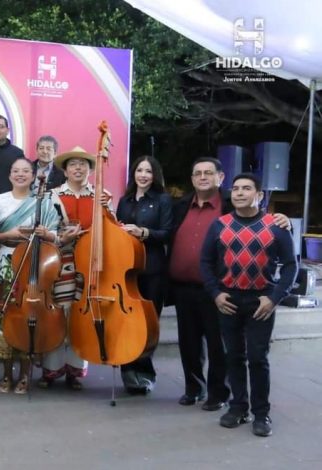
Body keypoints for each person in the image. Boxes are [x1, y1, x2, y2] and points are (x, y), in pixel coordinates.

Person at [170, 157, 289, 410]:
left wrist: (283, 220)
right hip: (185, 287)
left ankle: (220, 395)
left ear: (220, 178)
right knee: (189, 344)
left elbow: (260, 224)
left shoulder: (227, 206)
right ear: (192, 179)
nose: (202, 177)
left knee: (221, 347)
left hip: (223, 290)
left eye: (208, 173)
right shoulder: (180, 206)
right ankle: (195, 389)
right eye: (197, 173)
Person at [200, 173, 297, 437]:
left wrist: (275, 298)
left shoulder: (275, 225)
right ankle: (238, 407)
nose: (240, 193)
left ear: (259, 195)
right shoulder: (220, 225)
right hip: (228, 300)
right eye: (236, 189)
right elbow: (206, 262)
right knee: (234, 356)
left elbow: (291, 265)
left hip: (260, 301)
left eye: (247, 188)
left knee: (257, 358)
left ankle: (261, 414)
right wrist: (215, 294)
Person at [0, 157, 59, 395]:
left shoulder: (43, 202)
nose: (20, 175)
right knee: (6, 316)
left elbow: (55, 235)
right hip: (6, 261)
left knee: (30, 316)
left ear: (33, 175)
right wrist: (10, 233)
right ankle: (6, 374)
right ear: (9, 175)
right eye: (16, 171)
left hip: (33, 263)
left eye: (26, 171)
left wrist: (45, 233)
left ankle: (25, 376)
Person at [42, 146, 109, 390]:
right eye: (73, 165)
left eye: (83, 164)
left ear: (90, 170)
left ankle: (75, 371)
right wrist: (62, 237)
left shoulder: (101, 196)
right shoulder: (53, 196)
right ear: (65, 170)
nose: (78, 168)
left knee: (82, 314)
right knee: (60, 311)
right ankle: (50, 369)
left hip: (90, 263)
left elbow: (112, 228)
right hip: (62, 259)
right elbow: (45, 229)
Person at [115, 155, 173, 394]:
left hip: (152, 269)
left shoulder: (163, 200)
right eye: (139, 170)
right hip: (127, 270)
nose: (143, 175)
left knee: (148, 324)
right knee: (126, 322)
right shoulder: (125, 200)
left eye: (148, 171)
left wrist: (144, 232)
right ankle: (128, 372)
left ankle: (145, 372)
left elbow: (168, 233)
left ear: (155, 175)